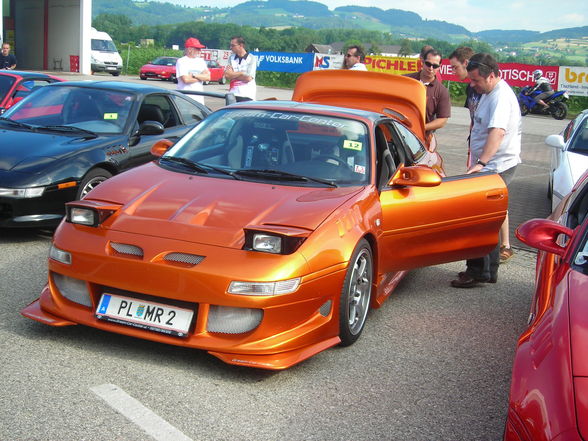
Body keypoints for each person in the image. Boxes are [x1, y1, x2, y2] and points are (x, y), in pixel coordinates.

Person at [451, 53, 522, 288]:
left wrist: (481, 163)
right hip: (492, 165)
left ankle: (479, 271)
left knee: (478, 218)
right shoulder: (490, 92)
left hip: (495, 166)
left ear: (491, 76)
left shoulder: (500, 97)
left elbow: (497, 132)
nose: (472, 85)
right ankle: (486, 270)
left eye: (476, 81)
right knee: (487, 219)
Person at [404, 48, 450, 152]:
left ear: (439, 67)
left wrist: (420, 127)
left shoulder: (441, 91)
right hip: (398, 133)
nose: (431, 68)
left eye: (435, 66)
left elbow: (442, 120)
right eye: (428, 64)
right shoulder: (406, 81)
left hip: (422, 140)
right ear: (422, 62)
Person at [175, 37, 210, 105]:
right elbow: (186, 80)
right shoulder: (181, 61)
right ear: (190, 49)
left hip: (199, 99)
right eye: (197, 49)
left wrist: (194, 75)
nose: (200, 51)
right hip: (185, 98)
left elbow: (208, 78)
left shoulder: (201, 61)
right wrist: (201, 77)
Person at [224, 36, 257, 100]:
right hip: (233, 94)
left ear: (241, 45)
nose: (230, 47)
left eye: (233, 45)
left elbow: (248, 78)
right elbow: (227, 75)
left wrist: (233, 74)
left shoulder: (251, 58)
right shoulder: (231, 58)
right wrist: (241, 73)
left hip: (247, 95)